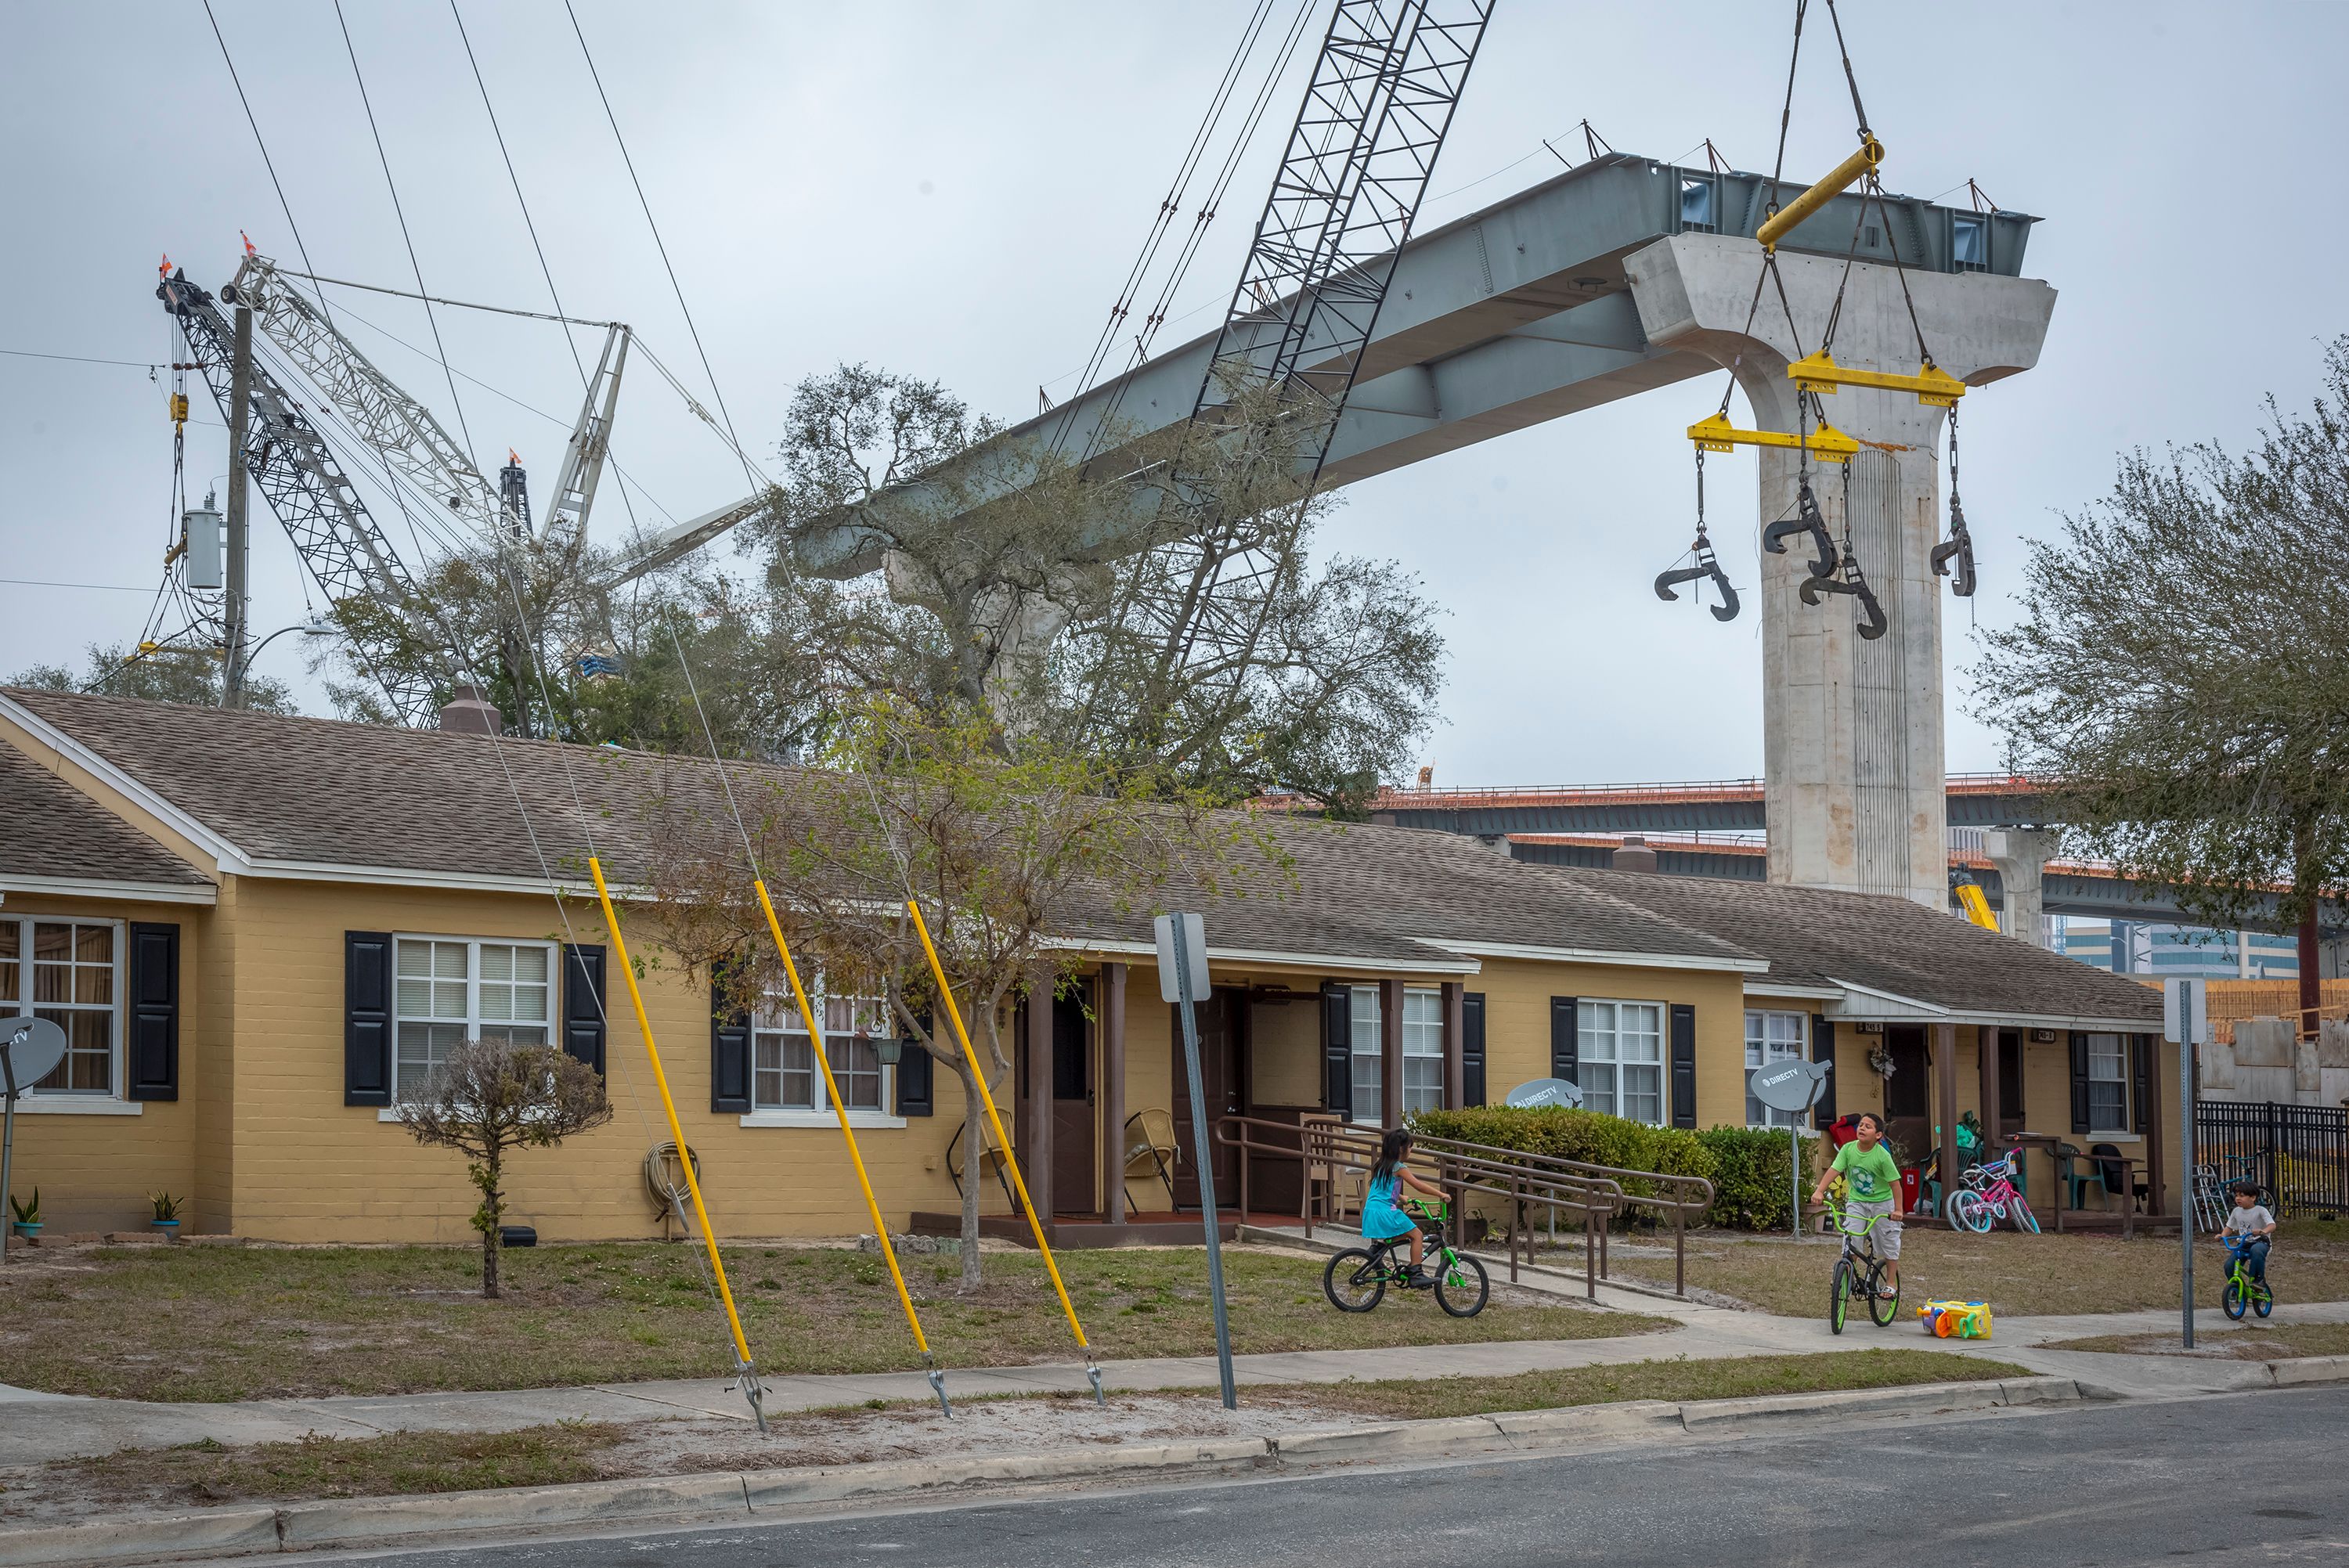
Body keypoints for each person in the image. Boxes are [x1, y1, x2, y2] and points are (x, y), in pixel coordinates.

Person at [1810, 1110, 1904, 1297]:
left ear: (1878, 1135)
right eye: (1861, 1125)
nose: (1862, 1128)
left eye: (1868, 1127)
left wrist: (1898, 1210)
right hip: (1857, 1201)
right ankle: (1847, 1274)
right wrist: (1819, 1190)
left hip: (1882, 1202)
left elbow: (1895, 1184)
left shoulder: (1882, 1156)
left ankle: (1891, 1281)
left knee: (1889, 1240)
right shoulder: (1848, 1149)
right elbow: (1834, 1170)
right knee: (1851, 1237)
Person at [1362, 1128, 1446, 1286]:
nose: (1411, 1150)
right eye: (1410, 1147)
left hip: (1372, 1210)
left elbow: (1381, 1189)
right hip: (1386, 1211)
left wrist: (1400, 1197)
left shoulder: (1380, 1165)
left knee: (1397, 1236)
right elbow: (1418, 1186)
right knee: (1417, 1236)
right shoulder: (1399, 1168)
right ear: (1402, 1148)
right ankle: (1416, 1273)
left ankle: (1375, 1251)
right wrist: (1441, 1194)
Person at [2221, 1180, 2277, 1288]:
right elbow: (2229, 1227)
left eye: (2242, 1196)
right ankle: (2236, 1288)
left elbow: (2272, 1225)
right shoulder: (2236, 1211)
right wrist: (2222, 1236)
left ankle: (2258, 1280)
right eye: (2236, 1195)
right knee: (2229, 1266)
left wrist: (2263, 1231)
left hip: (2261, 1243)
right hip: (2243, 1244)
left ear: (2253, 1197)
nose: (2238, 1198)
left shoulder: (2261, 1210)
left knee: (2256, 1250)